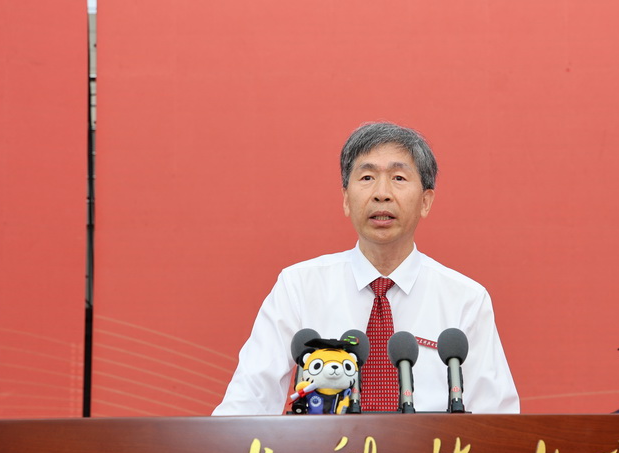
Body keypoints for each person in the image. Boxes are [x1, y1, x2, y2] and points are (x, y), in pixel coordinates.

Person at [213, 122, 520, 415]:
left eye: (398, 178)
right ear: (346, 199)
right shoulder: (299, 287)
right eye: (367, 177)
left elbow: (496, 418)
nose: (381, 193)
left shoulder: (466, 299)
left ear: (426, 201)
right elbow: (246, 403)